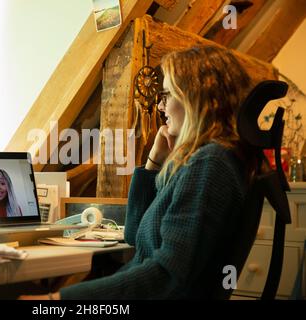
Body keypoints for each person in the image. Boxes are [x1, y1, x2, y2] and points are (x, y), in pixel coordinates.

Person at [19, 45, 256, 300]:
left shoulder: (209, 164)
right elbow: (134, 234)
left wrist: (58, 300)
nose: (161, 107)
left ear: (197, 98)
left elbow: (166, 276)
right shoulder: (202, 161)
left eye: (167, 96)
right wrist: (153, 162)